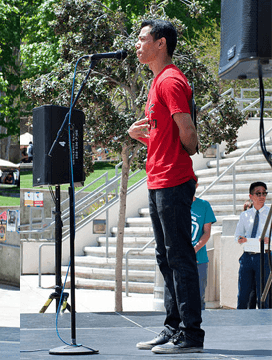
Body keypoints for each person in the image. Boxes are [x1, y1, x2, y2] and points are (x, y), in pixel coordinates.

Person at [128, 20, 204, 354]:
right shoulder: (157, 81)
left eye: (142, 39)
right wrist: (142, 136)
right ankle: (173, 328)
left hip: (173, 179)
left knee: (180, 257)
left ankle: (191, 334)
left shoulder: (171, 80)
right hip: (158, 178)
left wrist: (189, 148)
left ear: (161, 44)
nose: (137, 44)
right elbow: (167, 134)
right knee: (165, 257)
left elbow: (187, 131)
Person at [235, 182, 270, 309]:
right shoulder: (245, 215)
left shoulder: (270, 213)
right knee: (243, 292)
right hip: (247, 257)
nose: (262, 196)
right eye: (258, 193)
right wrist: (240, 239)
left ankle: (265, 322)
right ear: (251, 196)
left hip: (265, 257)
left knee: (264, 294)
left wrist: (269, 240)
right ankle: (241, 320)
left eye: (264, 193)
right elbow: (237, 235)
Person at [190, 178, 216, 310]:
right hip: (181, 261)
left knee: (199, 298)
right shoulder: (176, 205)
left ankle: (198, 328)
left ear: (196, 185)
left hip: (199, 260)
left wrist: (194, 249)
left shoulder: (204, 205)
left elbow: (207, 232)